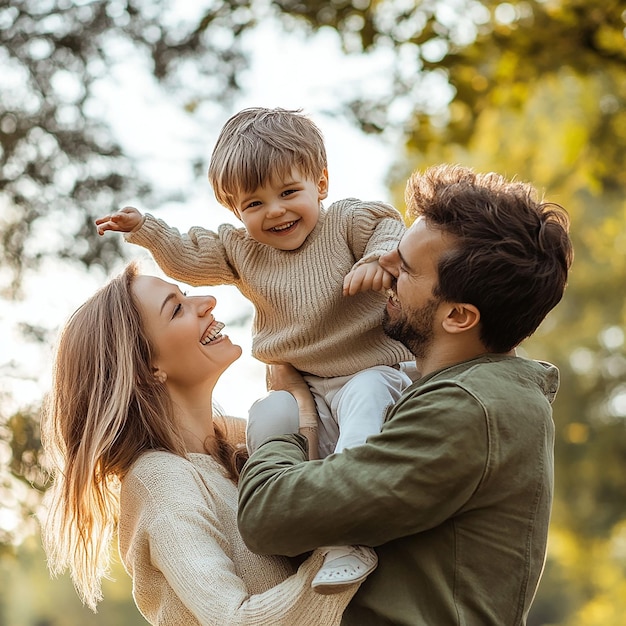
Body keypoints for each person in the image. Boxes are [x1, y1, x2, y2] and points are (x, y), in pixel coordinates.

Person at [236, 163, 574, 625]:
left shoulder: (466, 408)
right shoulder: (444, 391)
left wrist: (279, 425)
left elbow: (271, 516)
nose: (384, 264)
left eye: (407, 266)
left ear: (458, 316)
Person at [94, 106, 416, 589]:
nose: (276, 211)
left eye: (289, 193)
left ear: (321, 183)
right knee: (305, 457)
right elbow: (189, 254)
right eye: (254, 204)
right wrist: (145, 228)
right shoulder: (243, 250)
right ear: (235, 210)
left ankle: (352, 536)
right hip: (306, 383)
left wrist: (378, 261)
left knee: (363, 421)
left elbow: (389, 228)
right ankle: (327, 543)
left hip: (370, 368)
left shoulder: (347, 221)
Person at [40, 262, 361, 626]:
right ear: (148, 368)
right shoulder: (160, 480)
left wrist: (299, 398)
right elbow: (234, 620)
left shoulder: (241, 440)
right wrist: (352, 546)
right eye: (177, 308)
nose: (207, 301)